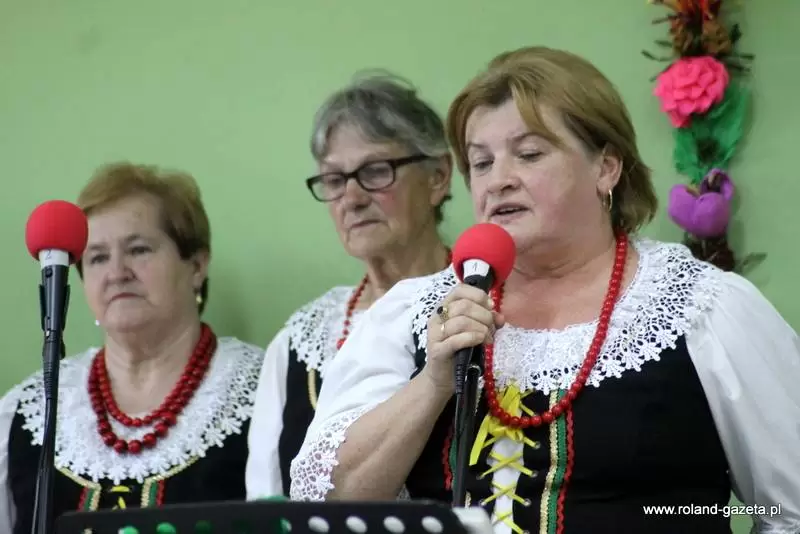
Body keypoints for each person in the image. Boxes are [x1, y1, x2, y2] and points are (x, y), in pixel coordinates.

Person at [289, 47, 800, 533]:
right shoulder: (414, 313)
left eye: (529, 154)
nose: (499, 180)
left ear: (606, 168)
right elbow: (327, 506)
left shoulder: (703, 309)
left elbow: (789, 511)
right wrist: (434, 382)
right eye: (481, 163)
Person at [0, 163, 264, 533]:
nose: (117, 272)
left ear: (196, 265)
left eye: (138, 250)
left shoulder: (261, 391)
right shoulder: (32, 410)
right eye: (97, 257)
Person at [245, 73, 454, 499]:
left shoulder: (484, 306)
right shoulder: (297, 345)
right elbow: (266, 504)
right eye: (335, 180)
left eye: (376, 171)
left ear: (438, 177)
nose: (352, 198)